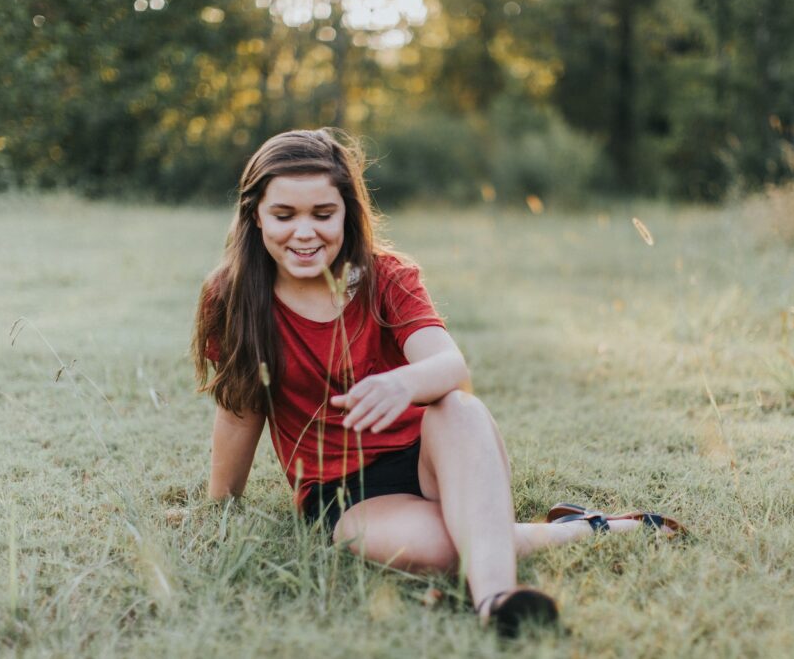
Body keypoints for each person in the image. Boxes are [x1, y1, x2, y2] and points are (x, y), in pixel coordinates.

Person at [191, 128, 684, 636]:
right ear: (255, 215)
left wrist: (404, 384)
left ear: (347, 213)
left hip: (437, 455)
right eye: (284, 215)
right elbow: (239, 408)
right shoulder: (232, 297)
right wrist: (221, 505)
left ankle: (496, 600)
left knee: (459, 406)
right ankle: (583, 529)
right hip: (344, 497)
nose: (304, 232)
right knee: (449, 546)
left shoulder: (389, 276)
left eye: (322, 214)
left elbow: (452, 367)